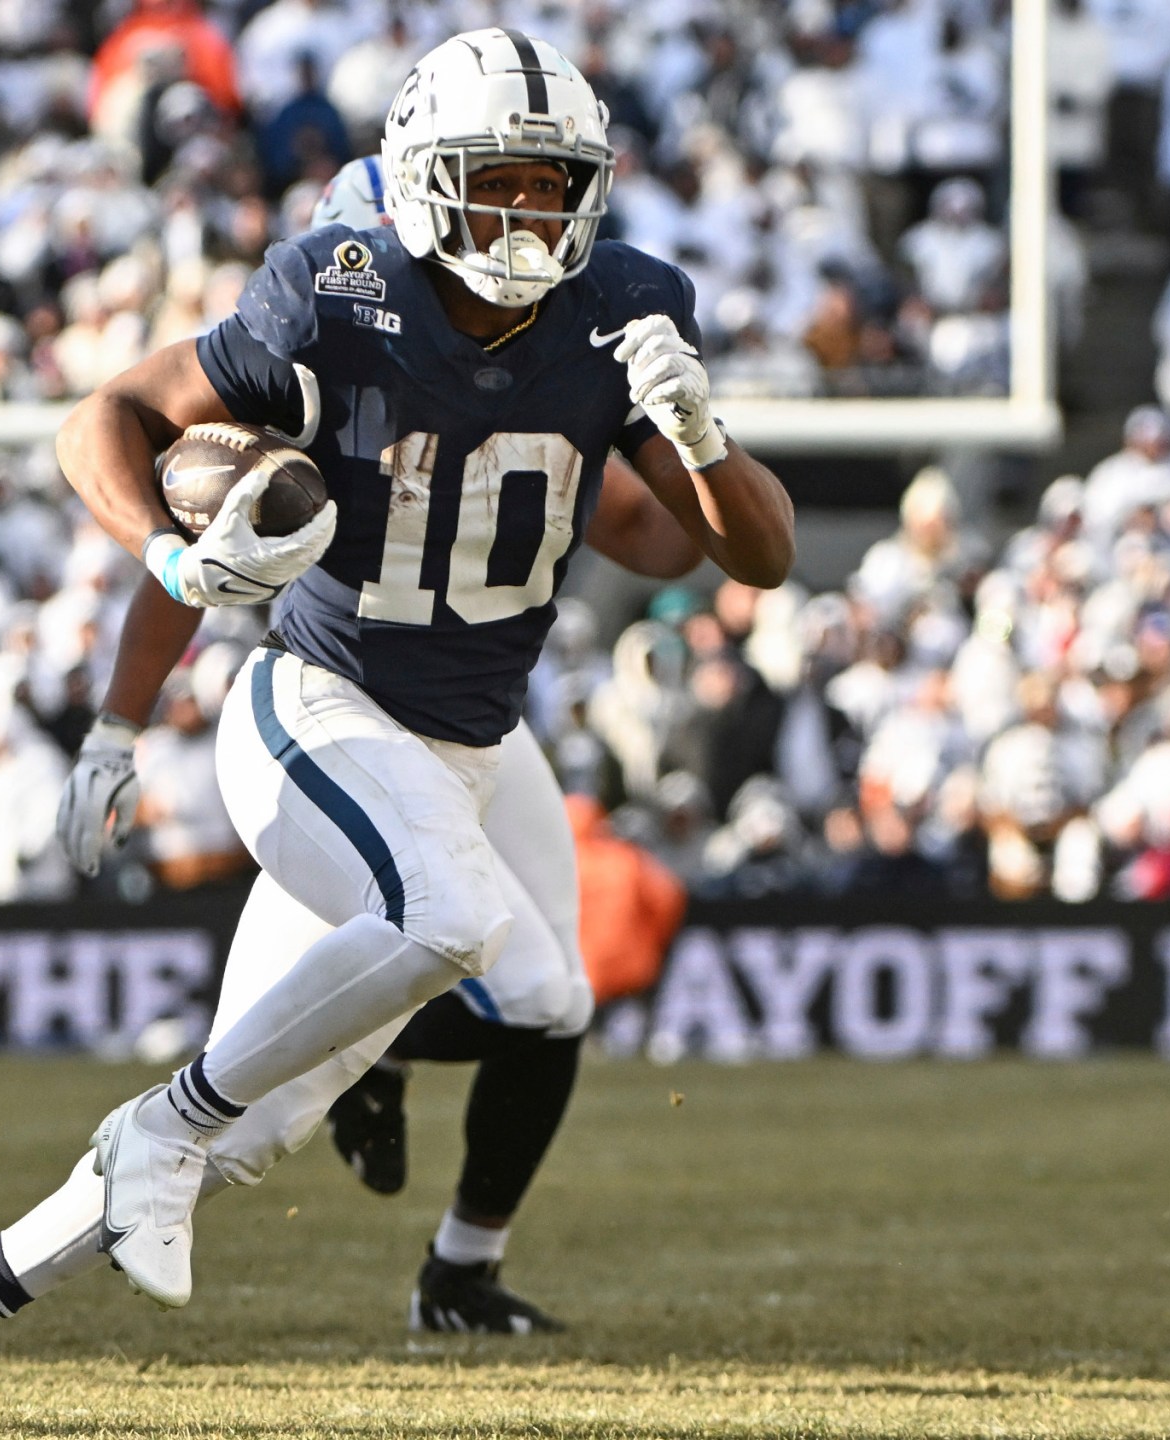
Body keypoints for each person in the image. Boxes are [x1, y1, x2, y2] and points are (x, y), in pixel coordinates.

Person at [0, 31, 793, 1439]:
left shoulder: (622, 315)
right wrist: (162, 591)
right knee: (448, 921)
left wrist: (701, 434)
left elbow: (746, 559)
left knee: (278, 1117)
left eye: (554, 188)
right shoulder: (339, 298)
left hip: (475, 741)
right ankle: (159, 1128)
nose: (530, 219)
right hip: (321, 707)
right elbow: (106, 422)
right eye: (498, 185)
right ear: (419, 189)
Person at [57, 154, 706, 1334]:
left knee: (552, 1003)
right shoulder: (326, 348)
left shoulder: (539, 356)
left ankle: (458, 1266)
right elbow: (179, 536)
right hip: (348, 710)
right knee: (273, 1093)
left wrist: (692, 446)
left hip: (482, 730)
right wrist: (117, 722)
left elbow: (648, 533)